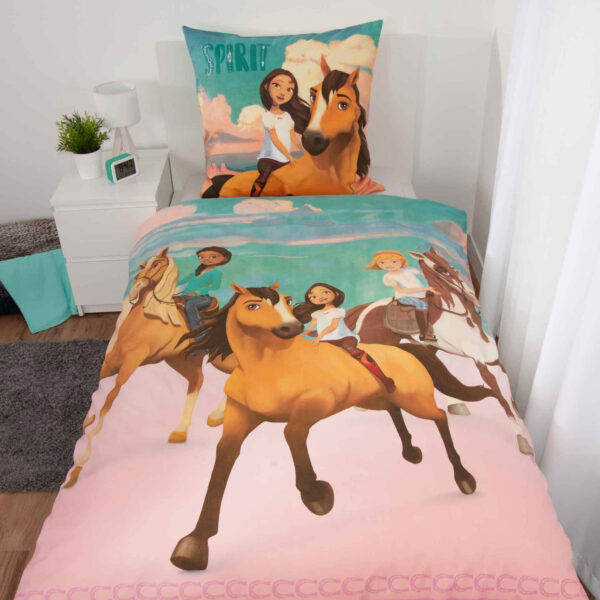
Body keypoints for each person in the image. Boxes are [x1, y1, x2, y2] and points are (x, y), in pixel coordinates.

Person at [293, 282, 396, 393]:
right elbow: (310, 328)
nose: (320, 297)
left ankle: (385, 380)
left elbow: (333, 326)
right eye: (313, 296)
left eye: (325, 292)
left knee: (355, 353)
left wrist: (319, 337)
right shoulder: (316, 314)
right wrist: (301, 335)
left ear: (336, 294)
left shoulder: (337, 311)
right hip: (325, 340)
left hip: (343, 338)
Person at [251, 68, 310, 197]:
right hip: (269, 159)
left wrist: (304, 152)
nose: (283, 93)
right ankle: (255, 194)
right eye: (277, 85)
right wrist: (290, 157)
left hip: (284, 160)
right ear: (266, 86)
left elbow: (293, 137)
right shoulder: (267, 116)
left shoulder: (287, 116)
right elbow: (275, 140)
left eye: (289, 89)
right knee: (264, 175)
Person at [365, 250, 437, 341]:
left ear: (402, 261)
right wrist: (425, 288)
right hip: (404, 297)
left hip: (422, 294)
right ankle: (424, 333)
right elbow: (402, 290)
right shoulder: (388, 277)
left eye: (394, 261)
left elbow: (426, 275)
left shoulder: (409, 270)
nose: (388, 265)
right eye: (382, 263)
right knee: (421, 305)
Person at [179, 246, 231, 330]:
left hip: (202, 297)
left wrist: (197, 292)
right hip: (185, 296)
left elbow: (215, 286)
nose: (206, 259)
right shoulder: (195, 273)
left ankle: (199, 330)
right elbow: (182, 281)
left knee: (190, 305)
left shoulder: (216, 273)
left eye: (213, 257)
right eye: (202, 257)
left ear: (224, 259)